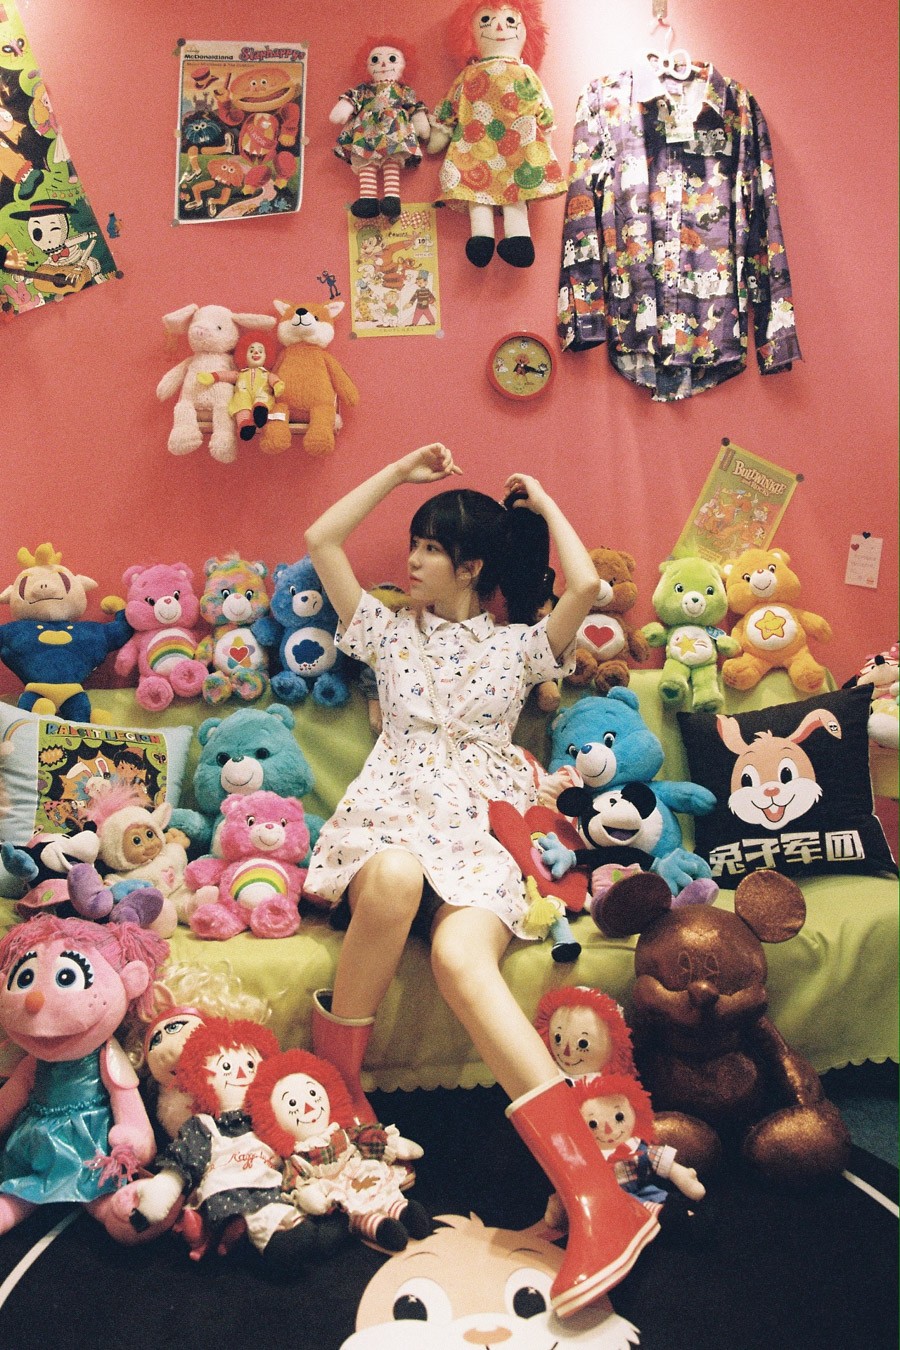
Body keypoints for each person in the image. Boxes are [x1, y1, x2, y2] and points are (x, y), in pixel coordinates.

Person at [303, 442, 660, 1319]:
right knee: (392, 879)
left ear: (471, 567)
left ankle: (595, 1195)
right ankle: (343, 1094)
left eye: (430, 548)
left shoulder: (518, 648)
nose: (412, 560)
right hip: (392, 819)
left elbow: (585, 585)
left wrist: (541, 496)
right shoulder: (384, 629)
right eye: (414, 544)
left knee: (464, 959)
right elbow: (322, 539)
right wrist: (398, 473)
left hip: (482, 828)